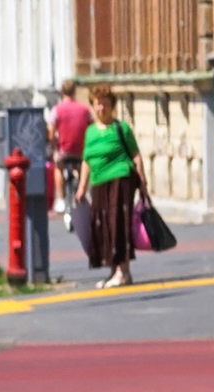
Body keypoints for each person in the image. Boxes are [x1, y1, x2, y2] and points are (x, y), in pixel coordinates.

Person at [76, 86, 147, 288]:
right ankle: (114, 271)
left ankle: (123, 271)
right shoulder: (90, 132)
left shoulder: (121, 128)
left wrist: (142, 181)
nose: (101, 108)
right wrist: (82, 187)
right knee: (103, 226)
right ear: (93, 105)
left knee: (118, 224)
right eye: (98, 103)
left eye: (106, 104)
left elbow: (136, 155)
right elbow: (86, 160)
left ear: (112, 106)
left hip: (120, 179)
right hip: (98, 183)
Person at [51, 80, 93, 227]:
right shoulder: (85, 110)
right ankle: (83, 192)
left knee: (58, 167)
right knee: (84, 168)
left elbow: (51, 133)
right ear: (75, 92)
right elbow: (92, 128)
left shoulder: (57, 109)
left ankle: (61, 199)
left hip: (64, 151)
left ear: (62, 93)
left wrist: (54, 147)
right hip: (81, 151)